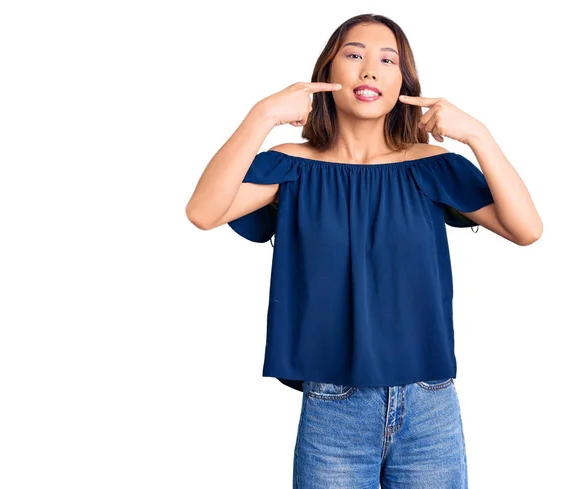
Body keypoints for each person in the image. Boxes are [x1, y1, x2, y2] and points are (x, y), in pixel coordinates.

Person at [186, 13, 542, 489]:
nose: (369, 70)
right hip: (334, 406)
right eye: (354, 55)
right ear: (328, 72)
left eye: (387, 59)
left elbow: (527, 229)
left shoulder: (430, 166)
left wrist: (477, 133)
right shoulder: (293, 166)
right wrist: (263, 114)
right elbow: (203, 212)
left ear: (403, 82)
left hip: (428, 402)